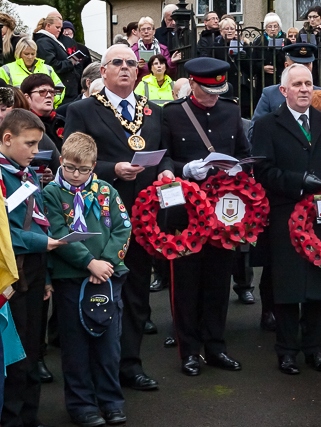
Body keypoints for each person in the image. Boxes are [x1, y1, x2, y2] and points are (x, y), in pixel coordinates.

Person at [64, 44, 169, 391]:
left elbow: (165, 155)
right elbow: (69, 160)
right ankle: (95, 369)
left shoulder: (153, 111)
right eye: (117, 63)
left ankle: (130, 364)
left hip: (142, 218)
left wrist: (166, 174)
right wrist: (113, 169)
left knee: (137, 292)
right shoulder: (83, 110)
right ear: (104, 71)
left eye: (131, 63)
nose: (126, 67)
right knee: (98, 293)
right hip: (99, 219)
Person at [161, 57, 248, 377]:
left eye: (218, 91)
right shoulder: (172, 113)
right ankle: (189, 351)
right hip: (186, 209)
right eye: (207, 90)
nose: (214, 97)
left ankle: (216, 346)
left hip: (222, 210)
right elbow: (164, 155)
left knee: (217, 280)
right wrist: (183, 170)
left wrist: (240, 166)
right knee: (186, 282)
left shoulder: (230, 110)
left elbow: (242, 150)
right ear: (193, 85)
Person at [252, 64, 321, 375]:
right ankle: (287, 351)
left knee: (320, 284)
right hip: (285, 213)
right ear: (284, 91)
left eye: (309, 84)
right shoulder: (266, 124)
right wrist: (299, 180)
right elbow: (262, 171)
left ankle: (314, 348)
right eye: (298, 84)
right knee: (287, 287)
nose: (305, 89)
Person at [43, 132, 130, 427]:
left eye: (84, 169)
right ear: (61, 162)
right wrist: (88, 262)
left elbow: (122, 228)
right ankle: (82, 405)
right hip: (72, 278)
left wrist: (105, 262)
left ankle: (111, 400)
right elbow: (55, 231)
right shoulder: (51, 194)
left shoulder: (107, 191)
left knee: (108, 345)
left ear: (94, 166)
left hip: (108, 277)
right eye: (69, 168)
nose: (76, 175)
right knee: (76, 346)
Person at [0, 108, 66, 427]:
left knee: (34, 347)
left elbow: (39, 221)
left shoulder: (26, 173)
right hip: (13, 273)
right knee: (15, 353)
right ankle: (11, 416)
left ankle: (30, 413)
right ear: (7, 138)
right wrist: (44, 244)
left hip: (37, 268)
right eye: (30, 144)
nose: (36, 152)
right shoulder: (2, 176)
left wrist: (49, 273)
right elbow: (4, 235)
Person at [0, 38, 66, 108]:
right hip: (19, 111)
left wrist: (47, 100)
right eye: (26, 54)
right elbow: (3, 93)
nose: (30, 57)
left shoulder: (47, 68)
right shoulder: (6, 69)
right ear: (19, 53)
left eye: (33, 54)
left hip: (45, 111)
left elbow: (60, 88)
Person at [33, 13, 82, 104]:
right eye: (57, 27)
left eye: (60, 28)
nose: (60, 31)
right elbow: (52, 65)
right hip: (61, 90)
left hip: (67, 90)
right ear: (48, 25)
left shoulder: (52, 41)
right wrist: (72, 61)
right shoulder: (44, 42)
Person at [213, 18, 254, 118]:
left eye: (232, 28)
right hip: (224, 84)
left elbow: (251, 69)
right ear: (221, 31)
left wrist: (244, 58)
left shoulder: (243, 45)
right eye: (227, 29)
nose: (230, 31)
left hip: (242, 85)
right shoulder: (216, 46)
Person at [21, 74, 65, 151]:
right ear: (27, 98)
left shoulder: (63, 122)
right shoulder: (21, 125)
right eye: (42, 92)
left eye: (51, 92)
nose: (48, 95)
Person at [131, 17, 180, 85]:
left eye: (149, 29)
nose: (146, 32)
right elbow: (129, 72)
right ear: (139, 32)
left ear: (154, 31)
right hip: (141, 87)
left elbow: (170, 72)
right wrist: (137, 67)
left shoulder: (163, 49)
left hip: (159, 86)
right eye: (143, 29)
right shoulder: (133, 50)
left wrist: (171, 62)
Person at [297, 6, 321, 93]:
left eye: (315, 17)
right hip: (309, 68)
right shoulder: (303, 32)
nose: (312, 19)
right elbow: (299, 50)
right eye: (310, 17)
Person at [252, 12, 290, 95]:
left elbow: (290, 60)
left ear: (279, 27)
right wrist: (263, 68)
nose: (272, 29)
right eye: (270, 26)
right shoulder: (259, 42)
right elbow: (253, 62)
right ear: (265, 28)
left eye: (275, 26)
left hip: (282, 79)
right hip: (264, 81)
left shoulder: (286, 41)